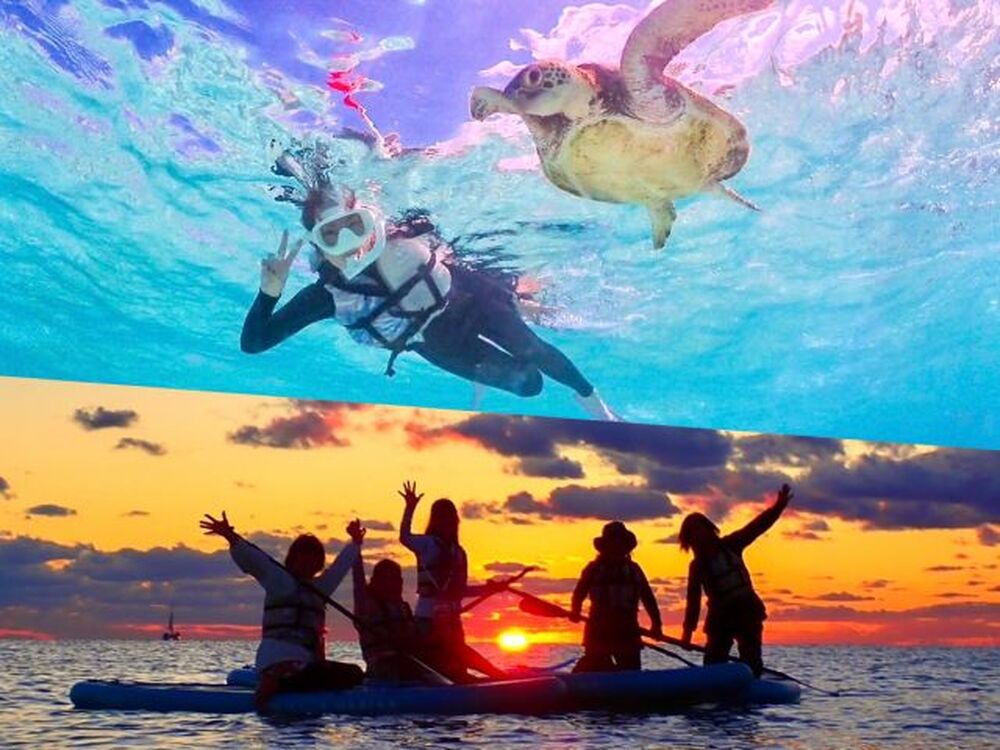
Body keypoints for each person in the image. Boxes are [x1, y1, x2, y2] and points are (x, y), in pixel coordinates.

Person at [240, 151, 616, 421]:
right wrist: (269, 292)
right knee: (529, 385)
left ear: (368, 219)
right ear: (319, 245)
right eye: (332, 236)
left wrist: (512, 294)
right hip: (435, 341)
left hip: (471, 300)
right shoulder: (326, 296)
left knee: (531, 349)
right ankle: (488, 373)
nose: (351, 243)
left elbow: (457, 261)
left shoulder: (404, 231)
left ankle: (590, 398)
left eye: (355, 226)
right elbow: (254, 343)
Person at [200, 511, 364, 709]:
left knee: (355, 673)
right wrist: (230, 536)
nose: (309, 562)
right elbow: (254, 559)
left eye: (314, 558)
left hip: (306, 663)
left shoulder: (321, 589)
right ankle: (275, 679)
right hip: (276, 658)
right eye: (304, 557)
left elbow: (340, 567)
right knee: (319, 673)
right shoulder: (278, 580)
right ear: (293, 559)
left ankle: (291, 682)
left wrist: (355, 541)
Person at [398, 480, 508, 683]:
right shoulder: (427, 544)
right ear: (435, 519)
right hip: (427, 620)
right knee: (446, 664)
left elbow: (461, 590)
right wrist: (410, 508)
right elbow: (404, 537)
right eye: (443, 517)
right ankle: (496, 677)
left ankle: (495, 677)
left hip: (452, 621)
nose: (448, 521)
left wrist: (489, 589)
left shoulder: (459, 552)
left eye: (451, 517)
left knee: (459, 662)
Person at [679, 483, 793, 677]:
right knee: (714, 661)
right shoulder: (697, 566)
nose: (699, 536)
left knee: (751, 657)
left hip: (747, 611)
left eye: (701, 530)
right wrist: (687, 634)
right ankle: (715, 683)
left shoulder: (732, 545)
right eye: (693, 534)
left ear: (710, 530)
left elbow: (756, 527)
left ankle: (753, 678)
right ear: (689, 540)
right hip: (720, 616)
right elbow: (693, 602)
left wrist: (778, 507)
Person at [570, 521, 663, 672]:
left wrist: (656, 624)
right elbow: (579, 593)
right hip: (598, 630)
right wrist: (575, 610)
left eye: (620, 543)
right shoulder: (593, 569)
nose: (616, 547)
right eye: (612, 542)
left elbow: (648, 597)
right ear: (605, 546)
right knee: (596, 668)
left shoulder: (634, 570)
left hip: (627, 630)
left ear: (626, 547)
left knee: (630, 672)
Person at [351, 527, 427, 683]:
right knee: (402, 664)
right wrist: (356, 544)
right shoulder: (367, 606)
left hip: (411, 662)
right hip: (382, 666)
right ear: (376, 582)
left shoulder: (403, 608)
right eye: (387, 579)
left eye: (396, 579)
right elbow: (358, 581)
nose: (393, 584)